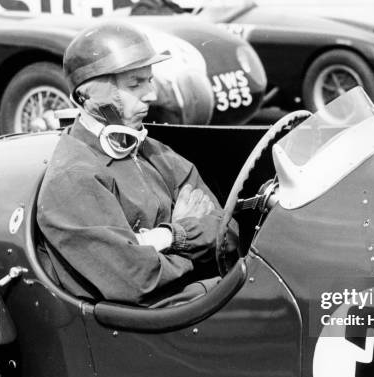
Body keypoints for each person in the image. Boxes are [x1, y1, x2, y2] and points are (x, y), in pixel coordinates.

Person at [37, 21, 238, 307]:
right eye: (135, 84)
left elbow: (227, 235)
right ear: (93, 97)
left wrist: (160, 239)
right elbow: (137, 281)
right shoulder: (73, 178)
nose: (152, 94)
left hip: (199, 298)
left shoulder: (154, 152)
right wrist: (185, 236)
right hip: (165, 317)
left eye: (149, 79)